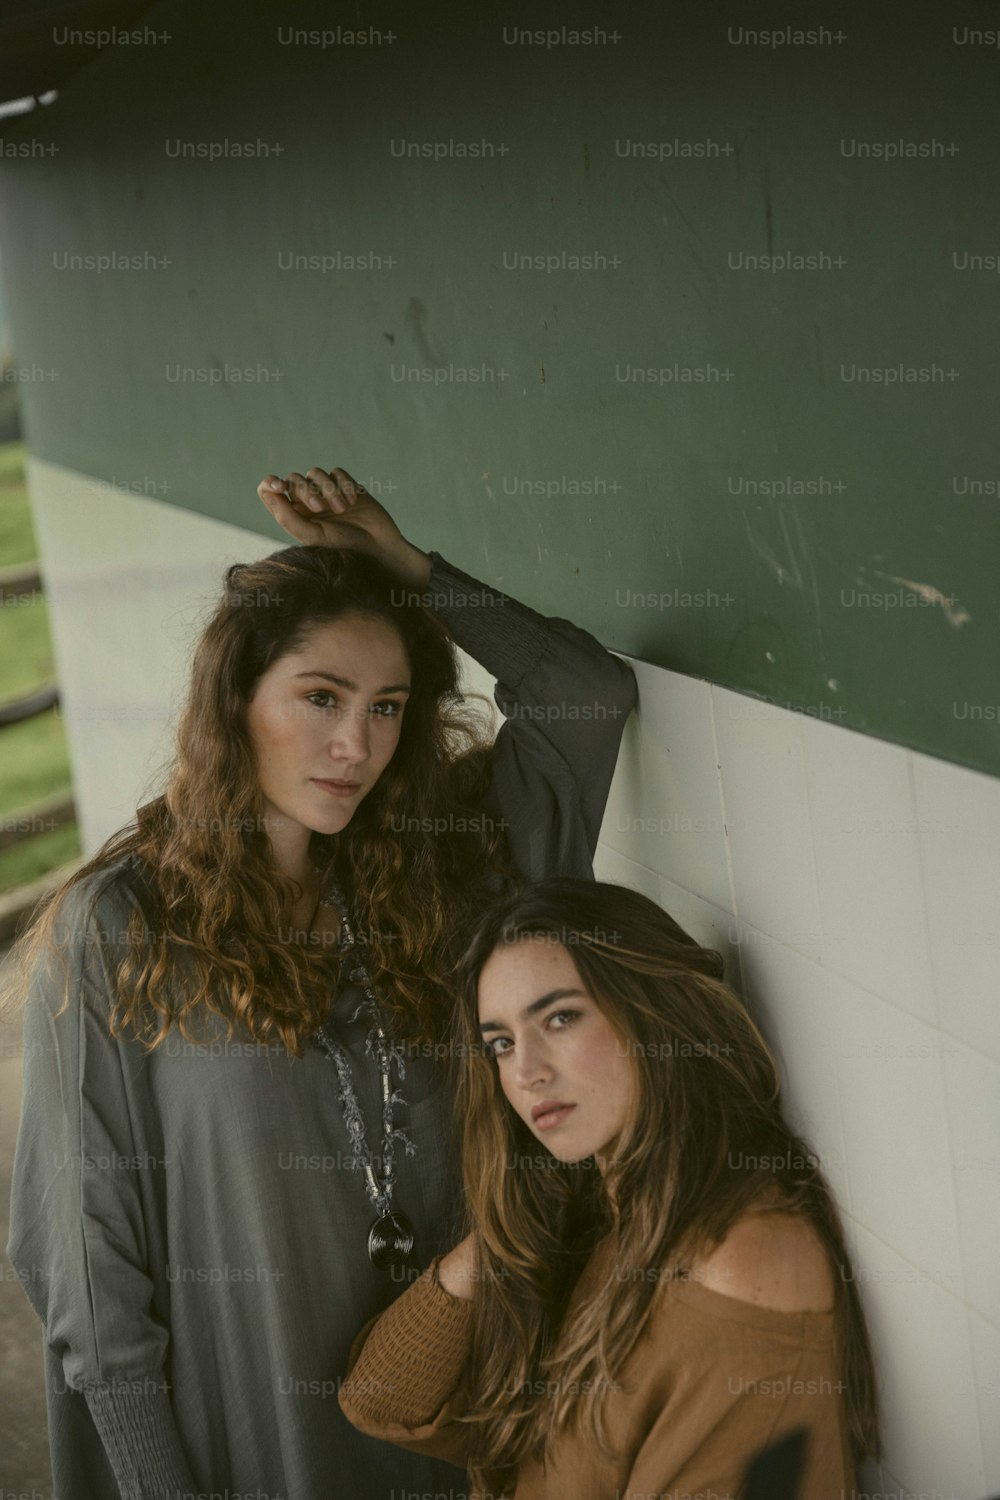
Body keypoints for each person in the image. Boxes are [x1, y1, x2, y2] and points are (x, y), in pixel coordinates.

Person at [3, 467, 637, 1500]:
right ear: (234, 699)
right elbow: (82, 1259)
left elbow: (587, 696)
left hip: (453, 1421)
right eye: (320, 698)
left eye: (387, 707)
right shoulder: (121, 925)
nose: (357, 746)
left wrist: (405, 569)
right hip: (252, 1436)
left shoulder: (448, 870)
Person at [339, 876, 881, 1500]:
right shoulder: (603, 1222)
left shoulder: (739, 1264)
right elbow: (379, 1399)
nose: (526, 1072)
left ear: (655, 1013)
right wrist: (508, 1235)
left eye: (561, 1018)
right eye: (501, 1043)